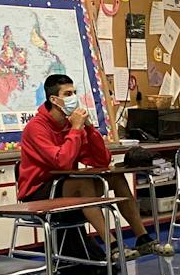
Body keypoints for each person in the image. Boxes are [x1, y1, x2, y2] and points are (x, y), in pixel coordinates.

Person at [16, 74, 170, 260]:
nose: (74, 97)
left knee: (116, 177)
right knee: (84, 184)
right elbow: (62, 162)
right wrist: (75, 129)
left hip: (65, 186)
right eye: (68, 94)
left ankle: (143, 238)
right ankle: (112, 245)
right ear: (54, 100)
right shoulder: (36, 128)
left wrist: (88, 128)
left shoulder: (71, 125)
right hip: (38, 192)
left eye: (74, 92)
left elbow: (101, 160)